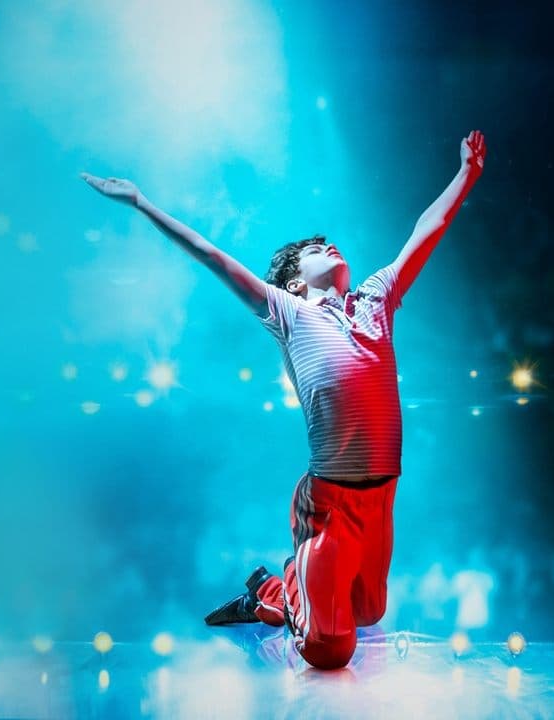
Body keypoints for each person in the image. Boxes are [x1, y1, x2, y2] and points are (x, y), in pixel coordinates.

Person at [81, 130, 486, 669]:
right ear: (294, 284)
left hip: (380, 497)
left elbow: (426, 231)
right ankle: (276, 589)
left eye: (329, 244)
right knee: (329, 651)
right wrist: (141, 203)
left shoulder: (376, 298)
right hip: (329, 503)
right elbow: (212, 257)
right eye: (315, 251)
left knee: (368, 612)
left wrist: (465, 175)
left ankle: (279, 590)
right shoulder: (288, 312)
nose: (330, 247)